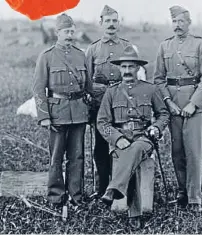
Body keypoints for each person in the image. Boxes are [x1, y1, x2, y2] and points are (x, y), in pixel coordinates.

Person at [153, 5, 202, 212]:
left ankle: (194, 198)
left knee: (194, 152)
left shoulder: (201, 44)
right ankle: (182, 192)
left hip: (194, 106)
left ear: (189, 23)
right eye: (174, 21)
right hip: (173, 105)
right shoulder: (165, 47)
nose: (177, 25)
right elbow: (158, 79)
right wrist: (168, 102)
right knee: (177, 151)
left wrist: (194, 103)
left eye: (181, 21)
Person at [97, 45, 170, 228]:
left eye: (131, 67)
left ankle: (113, 189)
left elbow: (164, 114)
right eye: (124, 67)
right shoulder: (111, 92)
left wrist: (157, 127)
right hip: (120, 138)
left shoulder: (150, 89)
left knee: (135, 149)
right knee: (130, 158)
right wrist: (116, 138)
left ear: (138, 68)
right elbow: (102, 122)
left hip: (143, 138)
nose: (127, 71)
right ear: (119, 68)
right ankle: (134, 214)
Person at [32, 13, 92, 208]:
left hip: (79, 112)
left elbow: (89, 87)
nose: (69, 35)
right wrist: (44, 116)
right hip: (57, 114)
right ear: (57, 33)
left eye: (72, 32)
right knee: (56, 157)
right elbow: (39, 88)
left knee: (77, 156)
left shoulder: (80, 55)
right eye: (66, 32)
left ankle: (76, 196)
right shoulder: (47, 56)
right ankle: (56, 197)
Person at [85, 5, 144, 198]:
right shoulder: (93, 49)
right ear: (101, 23)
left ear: (119, 24)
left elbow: (138, 76)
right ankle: (102, 189)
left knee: (123, 143)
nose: (111, 24)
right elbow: (87, 80)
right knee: (101, 147)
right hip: (100, 103)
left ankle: (124, 188)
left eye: (114, 21)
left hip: (122, 102)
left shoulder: (127, 47)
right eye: (107, 21)